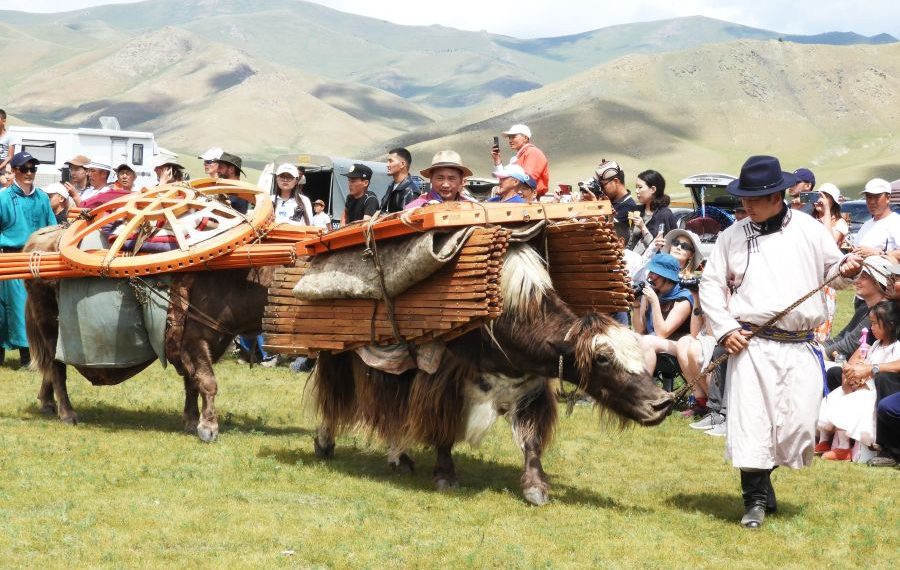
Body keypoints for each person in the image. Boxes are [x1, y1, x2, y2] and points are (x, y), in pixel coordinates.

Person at [699, 155, 862, 529]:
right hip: (752, 344)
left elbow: (833, 274)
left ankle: (765, 477)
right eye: (744, 198)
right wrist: (725, 329)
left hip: (800, 345)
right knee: (752, 423)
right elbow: (710, 286)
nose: (746, 206)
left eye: (754, 199)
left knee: (798, 427)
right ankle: (753, 500)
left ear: (777, 196)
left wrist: (846, 268)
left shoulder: (808, 229)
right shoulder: (731, 236)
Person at [817, 301, 900, 461]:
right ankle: (824, 440)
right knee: (835, 396)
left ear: (889, 325)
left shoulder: (896, 347)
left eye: (876, 324)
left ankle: (843, 447)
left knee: (849, 403)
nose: (872, 328)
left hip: (874, 390)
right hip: (863, 385)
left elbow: (886, 370)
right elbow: (864, 364)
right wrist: (853, 373)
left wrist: (867, 372)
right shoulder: (875, 345)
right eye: (871, 324)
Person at [0, 152, 57, 367]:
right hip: (10, 258)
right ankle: (23, 357)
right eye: (24, 169)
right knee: (11, 307)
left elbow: (51, 227)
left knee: (33, 306)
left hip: (37, 259)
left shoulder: (42, 197)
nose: (29, 173)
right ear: (14, 171)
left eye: (33, 169)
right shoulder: (3, 198)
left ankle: (31, 356)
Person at [633, 253, 694, 375]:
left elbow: (662, 333)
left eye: (654, 273)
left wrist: (655, 301)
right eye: (650, 271)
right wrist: (635, 304)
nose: (649, 276)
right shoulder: (653, 291)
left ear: (666, 276)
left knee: (648, 341)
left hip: (681, 345)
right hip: (654, 340)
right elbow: (640, 330)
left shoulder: (684, 298)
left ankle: (644, 388)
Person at [812, 183, 850, 342]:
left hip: (827, 276)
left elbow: (829, 243)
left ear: (833, 201)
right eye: (819, 196)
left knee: (822, 317)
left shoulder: (840, 223)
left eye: (825, 197)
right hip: (808, 273)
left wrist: (826, 212)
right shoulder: (809, 219)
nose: (821, 200)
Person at [625, 170, 676, 254]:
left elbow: (664, 248)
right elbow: (628, 240)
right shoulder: (637, 210)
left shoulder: (665, 214)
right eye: (636, 187)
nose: (636, 191)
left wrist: (643, 227)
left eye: (640, 187)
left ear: (652, 189)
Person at [490, 123, 549, 197]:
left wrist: (505, 188)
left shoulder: (533, 152)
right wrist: (497, 159)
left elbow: (528, 180)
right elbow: (505, 178)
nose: (510, 140)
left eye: (514, 137)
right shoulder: (515, 158)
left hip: (528, 199)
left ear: (525, 138)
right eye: (509, 137)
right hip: (518, 197)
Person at [406, 151, 476, 209]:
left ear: (461, 181)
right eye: (440, 178)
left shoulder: (472, 207)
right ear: (431, 179)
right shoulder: (415, 208)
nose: (445, 185)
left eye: (451, 179)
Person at [593, 159, 636, 241]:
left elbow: (609, 234)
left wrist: (596, 208)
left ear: (616, 181)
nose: (601, 189)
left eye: (603, 185)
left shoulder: (628, 206)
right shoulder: (611, 203)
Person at [381, 147, 419, 213]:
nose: (387, 165)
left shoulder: (411, 191)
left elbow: (407, 219)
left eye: (391, 161)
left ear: (402, 164)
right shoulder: (391, 186)